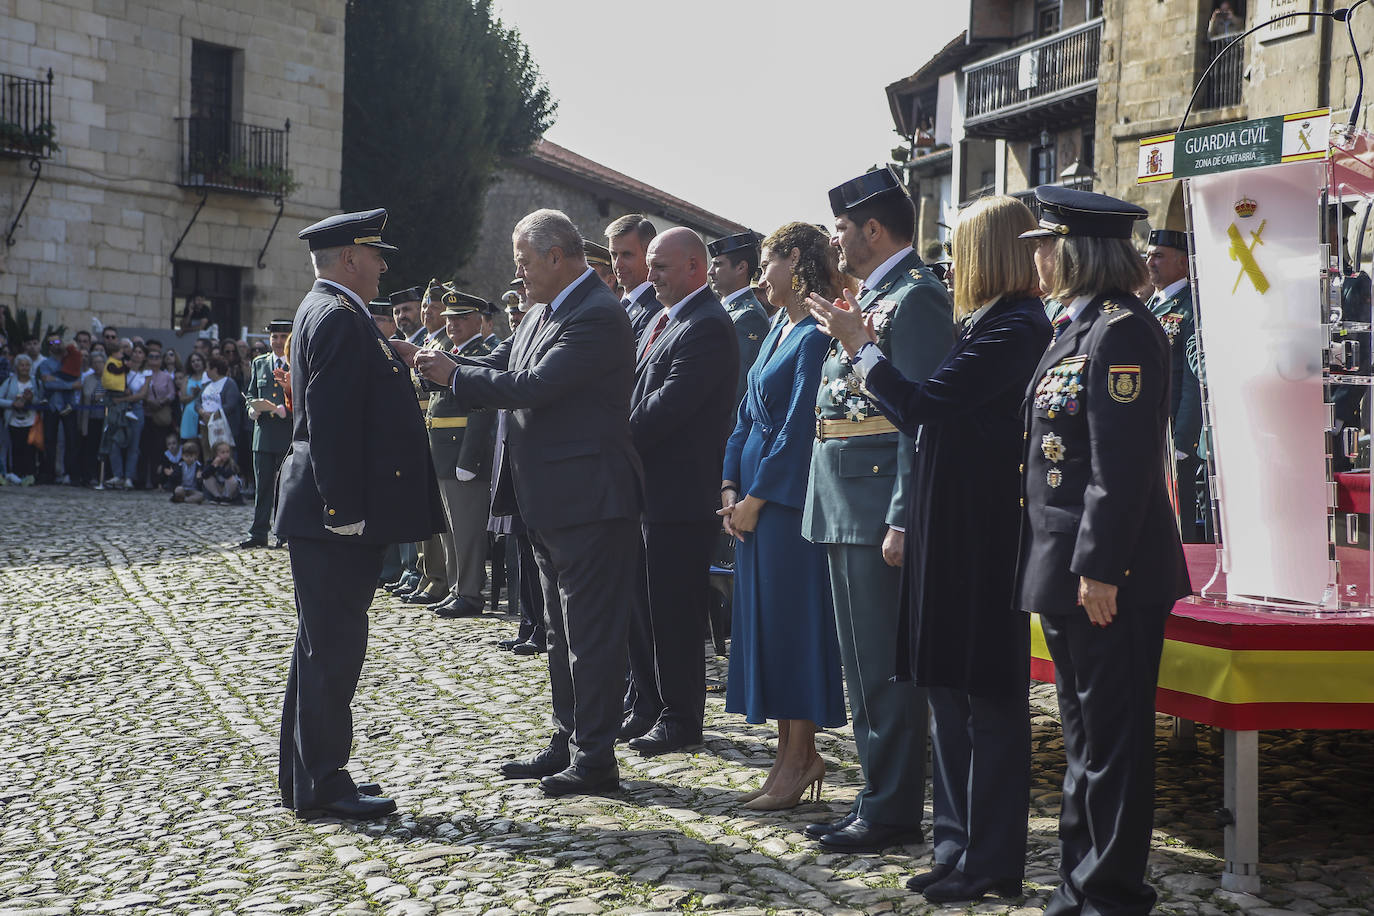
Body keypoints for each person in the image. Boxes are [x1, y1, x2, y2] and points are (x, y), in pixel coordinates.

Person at [812, 194, 1050, 902]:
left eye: (965, 245)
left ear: (987, 253)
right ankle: (955, 843)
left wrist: (862, 348)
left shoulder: (1015, 326)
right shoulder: (984, 324)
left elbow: (920, 407)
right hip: (953, 530)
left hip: (984, 536)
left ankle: (993, 860)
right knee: (947, 694)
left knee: (988, 705)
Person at [412, 208, 643, 798]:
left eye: (523, 261)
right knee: (562, 632)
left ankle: (596, 758)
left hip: (589, 498)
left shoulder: (596, 314)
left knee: (589, 635)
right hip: (550, 499)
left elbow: (536, 385)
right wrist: (446, 364)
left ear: (556, 257)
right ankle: (570, 740)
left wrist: (453, 377)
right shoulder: (546, 309)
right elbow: (504, 362)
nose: (518, 274)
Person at [1017, 186, 1192, 916]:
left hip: (1105, 570)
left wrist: (1099, 566)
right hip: (1064, 565)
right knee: (1084, 737)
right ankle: (1077, 884)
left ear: (1077, 249)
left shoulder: (1122, 330)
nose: (1040, 258)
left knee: (1113, 742)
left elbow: (1119, 468)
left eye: (1046, 245)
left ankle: (1111, 893)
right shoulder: (1076, 325)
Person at [800, 166, 954, 851]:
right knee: (862, 667)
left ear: (871, 227)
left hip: (875, 504)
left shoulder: (916, 297)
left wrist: (902, 513)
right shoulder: (874, 295)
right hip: (843, 498)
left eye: (840, 228)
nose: (833, 241)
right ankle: (875, 797)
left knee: (885, 673)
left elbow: (919, 420)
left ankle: (891, 810)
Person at [274, 207, 444, 820]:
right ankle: (322, 780)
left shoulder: (331, 310)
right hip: (334, 517)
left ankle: (308, 772)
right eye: (375, 255)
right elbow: (332, 424)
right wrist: (344, 508)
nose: (381, 265)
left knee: (321, 644)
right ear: (350, 258)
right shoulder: (340, 316)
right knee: (333, 648)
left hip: (326, 513)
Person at [719, 222, 847, 810]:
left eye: (767, 263)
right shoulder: (776, 327)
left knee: (792, 629)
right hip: (751, 503)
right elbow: (745, 412)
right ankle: (784, 756)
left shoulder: (816, 334)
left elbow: (798, 429)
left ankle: (801, 757)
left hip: (787, 507)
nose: (760, 276)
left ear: (793, 260)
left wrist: (756, 498)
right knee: (765, 631)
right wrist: (728, 481)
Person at [621, 227, 739, 755]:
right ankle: (647, 703)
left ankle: (681, 717)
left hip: (681, 496)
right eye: (649, 265)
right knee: (646, 606)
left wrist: (605, 435)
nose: (651, 276)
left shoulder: (707, 325)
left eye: (661, 267)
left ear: (695, 267)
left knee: (675, 612)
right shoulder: (668, 319)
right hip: (651, 491)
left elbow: (667, 407)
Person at [425, 289, 498, 619]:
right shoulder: (448, 352)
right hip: (442, 453)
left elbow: (482, 410)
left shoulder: (481, 353)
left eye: (461, 318)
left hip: (463, 456)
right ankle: (457, 587)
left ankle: (469, 592)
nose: (452, 325)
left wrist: (469, 460)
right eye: (449, 319)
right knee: (450, 530)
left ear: (479, 321)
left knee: (467, 530)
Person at [1144, 210, 1206, 541]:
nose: (1150, 262)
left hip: (1173, 435)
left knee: (1177, 525)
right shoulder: (1149, 305)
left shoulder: (1190, 307)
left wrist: (1183, 440)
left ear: (1182, 264)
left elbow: (1192, 381)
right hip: (1149, 429)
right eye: (1149, 255)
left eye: (1159, 256)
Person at [397, 280, 455, 606]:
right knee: (423, 512)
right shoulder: (431, 341)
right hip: (423, 432)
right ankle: (428, 574)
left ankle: (440, 578)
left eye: (432, 307)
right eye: (425, 307)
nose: (426, 312)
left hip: (441, 436)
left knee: (438, 517)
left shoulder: (445, 343)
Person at [240, 320, 294, 548]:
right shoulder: (259, 363)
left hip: (285, 434)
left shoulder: (295, 364)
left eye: (283, 337)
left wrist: (287, 411)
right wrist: (252, 408)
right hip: (262, 435)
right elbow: (250, 393)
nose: (278, 342)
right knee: (262, 488)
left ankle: (283, 532)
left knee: (284, 487)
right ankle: (259, 531)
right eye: (275, 337)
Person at [707, 231, 772, 409]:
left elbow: (737, 387)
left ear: (741, 268)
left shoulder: (748, 316)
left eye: (718, 264)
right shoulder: (722, 309)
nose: (710, 271)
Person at [606, 214, 663, 346]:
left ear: (649, 254)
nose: (617, 264)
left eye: (626, 255)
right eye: (614, 255)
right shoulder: (618, 304)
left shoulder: (656, 309)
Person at [107, 343, 149, 489]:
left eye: (140, 352)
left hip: (136, 409)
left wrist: (123, 399)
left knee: (134, 444)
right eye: (135, 351)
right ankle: (117, 474)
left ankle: (129, 477)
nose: (137, 354)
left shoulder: (146, 374)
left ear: (144, 357)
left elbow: (142, 395)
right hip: (120, 409)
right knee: (115, 441)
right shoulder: (123, 370)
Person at [1, 354, 41, 485]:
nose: (24, 368)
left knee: (30, 449)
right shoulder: (10, 381)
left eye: (27, 365)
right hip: (13, 420)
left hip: (31, 420)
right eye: (22, 365)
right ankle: (15, 474)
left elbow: (42, 400)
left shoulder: (36, 382)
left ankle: (29, 475)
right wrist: (12, 404)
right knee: (15, 448)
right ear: (16, 367)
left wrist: (31, 400)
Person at [199, 356, 245, 464]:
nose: (206, 371)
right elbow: (197, 401)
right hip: (206, 426)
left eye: (208, 368)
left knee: (225, 454)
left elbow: (231, 404)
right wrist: (202, 411)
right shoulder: (207, 384)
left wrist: (216, 413)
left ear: (215, 370)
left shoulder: (229, 383)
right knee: (208, 453)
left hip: (222, 428)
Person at [179, 351, 208, 443]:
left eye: (198, 360)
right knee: (191, 445)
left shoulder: (208, 377)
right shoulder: (187, 378)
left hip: (204, 413)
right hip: (189, 414)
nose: (196, 363)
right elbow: (182, 399)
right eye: (193, 361)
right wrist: (194, 395)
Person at [170, 438, 205, 504]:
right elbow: (173, 479)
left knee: (201, 495)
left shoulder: (199, 466)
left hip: (193, 490)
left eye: (191, 456)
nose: (189, 458)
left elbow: (201, 483)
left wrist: (199, 478)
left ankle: (185, 500)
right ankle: (185, 499)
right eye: (186, 456)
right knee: (178, 490)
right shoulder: (179, 465)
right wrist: (172, 474)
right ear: (182, 456)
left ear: (195, 456)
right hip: (183, 488)